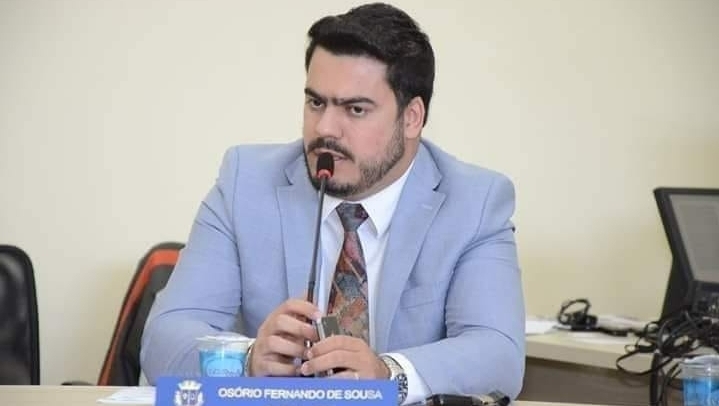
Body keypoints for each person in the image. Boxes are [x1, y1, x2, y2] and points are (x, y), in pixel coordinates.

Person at [140, 2, 525, 404]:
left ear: (412, 117)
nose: (324, 129)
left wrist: (389, 375)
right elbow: (164, 337)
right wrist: (248, 359)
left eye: (355, 109)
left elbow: (498, 354)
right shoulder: (246, 182)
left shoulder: (474, 202)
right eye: (316, 103)